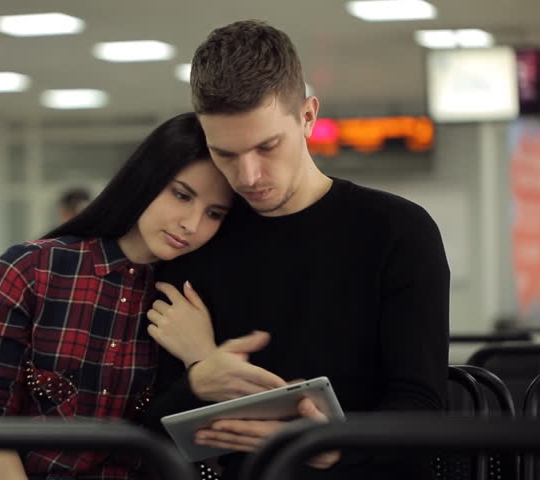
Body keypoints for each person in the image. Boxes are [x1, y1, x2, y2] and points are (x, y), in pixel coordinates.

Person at [143, 20, 450, 480]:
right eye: (224, 154)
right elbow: (148, 437)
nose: (247, 176)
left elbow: (423, 409)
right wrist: (199, 379)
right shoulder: (198, 243)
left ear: (308, 116)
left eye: (267, 146)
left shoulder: (397, 231)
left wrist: (335, 449)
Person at [0, 112, 234, 480]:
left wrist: (201, 359)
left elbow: (199, 450)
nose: (192, 224)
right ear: (146, 179)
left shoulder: (193, 302)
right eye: (182, 195)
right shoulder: (33, 269)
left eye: (213, 214)